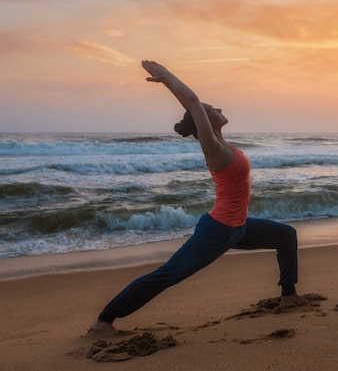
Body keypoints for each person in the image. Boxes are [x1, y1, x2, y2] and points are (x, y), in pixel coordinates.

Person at [90, 60, 305, 333]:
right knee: (169, 274)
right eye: (212, 109)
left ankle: (288, 296)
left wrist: (175, 88)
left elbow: (195, 107)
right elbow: (192, 102)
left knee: (286, 236)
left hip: (239, 228)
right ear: (202, 122)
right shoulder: (213, 148)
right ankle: (104, 319)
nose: (219, 109)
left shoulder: (224, 143)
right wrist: (166, 77)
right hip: (217, 232)